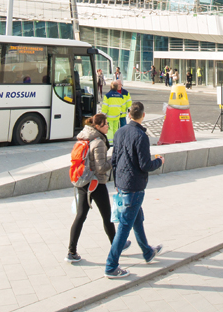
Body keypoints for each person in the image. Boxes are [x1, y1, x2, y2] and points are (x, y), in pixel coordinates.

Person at [106, 102, 163, 278]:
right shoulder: (141, 136)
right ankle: (111, 266)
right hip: (134, 185)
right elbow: (145, 165)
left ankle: (147, 252)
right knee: (125, 226)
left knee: (137, 219)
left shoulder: (119, 132)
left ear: (129, 115)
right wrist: (159, 161)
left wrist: (116, 182)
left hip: (122, 182)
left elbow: (114, 159)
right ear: (143, 115)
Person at [67, 113, 127, 263]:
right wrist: (114, 159)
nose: (108, 126)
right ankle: (117, 246)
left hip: (83, 181)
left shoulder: (84, 137)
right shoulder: (98, 142)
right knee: (107, 217)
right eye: (106, 124)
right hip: (96, 183)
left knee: (80, 216)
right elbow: (101, 168)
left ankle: (71, 252)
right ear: (99, 126)